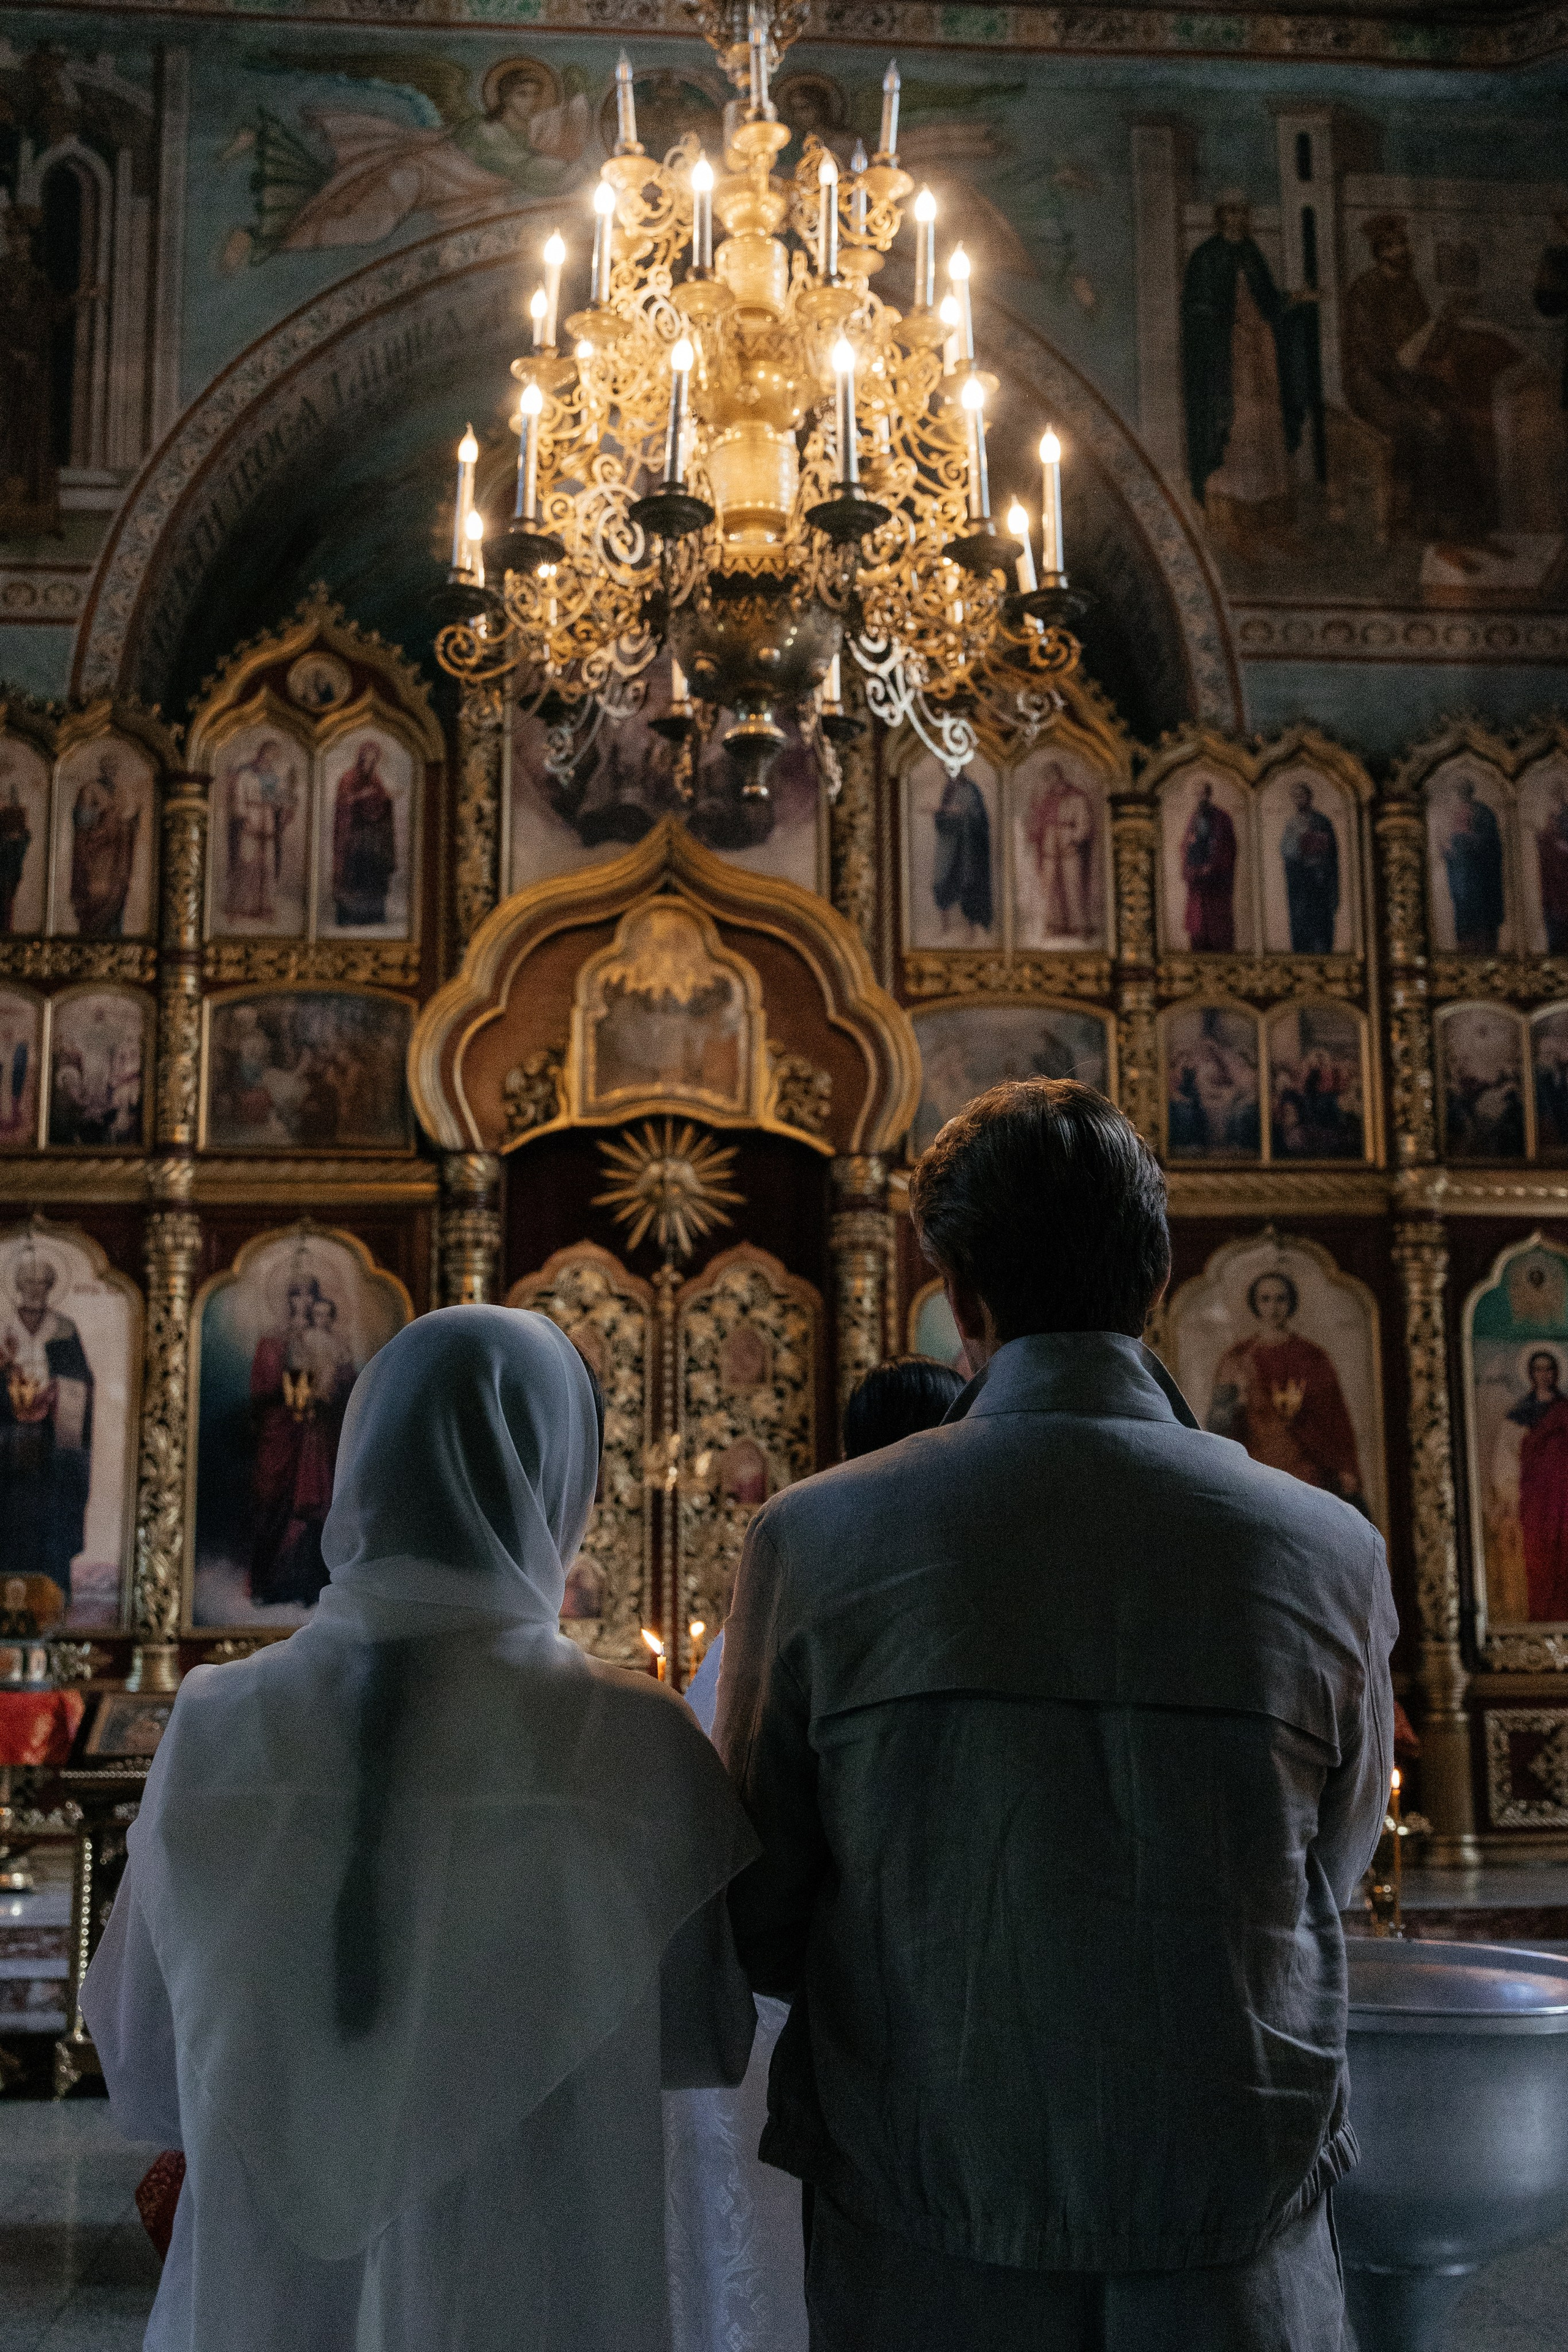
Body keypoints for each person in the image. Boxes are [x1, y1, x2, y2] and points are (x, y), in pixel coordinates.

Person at [717, 1079, 1395, 2352]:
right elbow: (1331, 1867)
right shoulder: (1325, 1551)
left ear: (959, 1296)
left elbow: (760, 1914)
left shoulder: (817, 1539)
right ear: (1155, 1284)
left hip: (926, 2216)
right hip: (1228, 2219)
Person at [81, 1306, 758, 2352]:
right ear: (557, 1481)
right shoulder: (636, 1740)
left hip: (265, 2295)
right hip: (540, 2273)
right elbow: (709, 2037)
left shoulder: (215, 1724)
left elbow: (142, 2060)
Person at [668, 1355, 965, 2352]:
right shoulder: (981, 1578)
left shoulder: (803, 1558)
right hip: (929, 1994)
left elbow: (727, 1787)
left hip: (791, 1998)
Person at [1179, 192, 1314, 546]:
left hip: (1260, 352)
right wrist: (1227, 325)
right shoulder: (1206, 257)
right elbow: (1197, 310)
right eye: (1232, 212)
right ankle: (1231, 515)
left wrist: (1295, 300)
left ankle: (1270, 515)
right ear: (1222, 216)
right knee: (1235, 427)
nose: (1239, 218)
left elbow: (1269, 299)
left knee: (1266, 424)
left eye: (1244, 211)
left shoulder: (1251, 252)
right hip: (1227, 359)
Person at [1206, 1270, 1368, 1512]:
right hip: (1256, 1468)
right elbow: (1217, 1425)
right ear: (1255, 1303)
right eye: (1266, 1299)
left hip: (1306, 1464)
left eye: (1280, 1299)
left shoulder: (1312, 1357)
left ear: (1291, 1302)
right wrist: (1234, 1399)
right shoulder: (1237, 1357)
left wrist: (1347, 1467)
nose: (1273, 1307)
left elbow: (1335, 1418)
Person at [0, 1250, 93, 1603]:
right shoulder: (3, 1325)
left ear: (51, 1288)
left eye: (42, 1285)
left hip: (51, 1450)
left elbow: (81, 1382)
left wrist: (59, 1390)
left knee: (47, 1519)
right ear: (17, 1287)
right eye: (27, 1284)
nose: (34, 1291)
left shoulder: (64, 1328)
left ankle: (51, 1596)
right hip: (7, 1446)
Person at [1505, 1349, 1568, 1623]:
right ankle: (1541, 1619)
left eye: (1549, 1369)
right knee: (1539, 1560)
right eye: (1539, 1369)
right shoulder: (1520, 1414)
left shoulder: (1565, 1410)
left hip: (1565, 1499)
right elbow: (1505, 1458)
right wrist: (1508, 1495)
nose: (1545, 1375)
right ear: (1531, 1374)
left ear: (1557, 1373)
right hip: (1535, 1500)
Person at [69, 751, 140, 938]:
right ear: (103, 768)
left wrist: (131, 823)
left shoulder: (120, 791)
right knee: (96, 895)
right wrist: (103, 817)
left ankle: (113, 936)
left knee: (117, 893)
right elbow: (81, 822)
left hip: (117, 855)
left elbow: (124, 821)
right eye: (109, 766)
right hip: (96, 854)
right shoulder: (90, 789)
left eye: (115, 768)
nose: (112, 771)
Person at [331, 740, 397, 925]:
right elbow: (344, 803)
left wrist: (385, 799)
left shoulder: (376, 779)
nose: (370, 762)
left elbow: (380, 801)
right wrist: (362, 796)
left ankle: (373, 915)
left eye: (373, 758)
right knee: (354, 873)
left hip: (373, 837)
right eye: (367, 757)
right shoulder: (348, 778)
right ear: (361, 757)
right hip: (354, 835)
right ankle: (350, 916)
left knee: (373, 872)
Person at [1441, 778, 1505, 954]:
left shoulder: (1483, 812)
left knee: (1482, 919)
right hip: (1463, 879)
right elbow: (1456, 849)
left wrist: (1465, 839)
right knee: (1465, 915)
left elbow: (1490, 843)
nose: (1461, 795)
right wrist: (1448, 852)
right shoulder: (1459, 812)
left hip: (1481, 878)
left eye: (1463, 790)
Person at [1279, 781, 1340, 956]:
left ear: (1309, 797)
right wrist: (1301, 847)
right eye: (1296, 797)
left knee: (1321, 924)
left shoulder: (1322, 821)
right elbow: (1287, 850)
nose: (1299, 800)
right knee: (1301, 923)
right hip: (1300, 883)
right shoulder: (1292, 824)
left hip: (1320, 881)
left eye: (1302, 796)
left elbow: (1331, 853)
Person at [931, 770, 993, 939]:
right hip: (950, 846)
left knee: (968, 886)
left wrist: (950, 811)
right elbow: (946, 817)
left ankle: (971, 932)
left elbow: (975, 814)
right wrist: (942, 812)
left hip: (968, 848)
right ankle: (945, 928)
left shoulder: (969, 788)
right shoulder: (949, 787)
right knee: (942, 884)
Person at [1179, 779, 1238, 951]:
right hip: (1198, 884)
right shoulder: (1194, 818)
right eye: (1197, 794)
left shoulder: (1222, 818)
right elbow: (1185, 845)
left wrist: (1212, 867)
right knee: (1198, 927)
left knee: (1218, 928)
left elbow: (1228, 849)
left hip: (1216, 885)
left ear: (1209, 794)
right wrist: (1189, 867)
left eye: (1203, 793)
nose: (1200, 797)